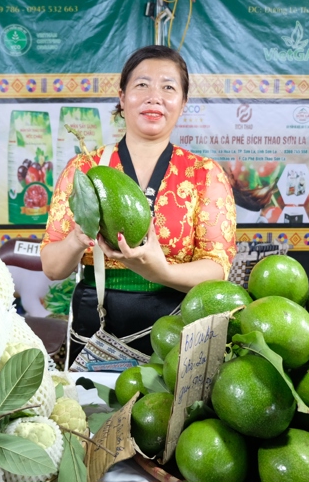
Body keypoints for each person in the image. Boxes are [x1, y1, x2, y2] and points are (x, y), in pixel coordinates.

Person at [40, 45, 237, 360]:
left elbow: (217, 268)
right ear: (122, 97)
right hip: (96, 330)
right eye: (142, 84)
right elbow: (51, 267)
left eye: (168, 87)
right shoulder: (85, 169)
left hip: (177, 332)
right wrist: (78, 238)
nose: (154, 96)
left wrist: (162, 273)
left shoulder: (204, 175)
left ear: (183, 103)